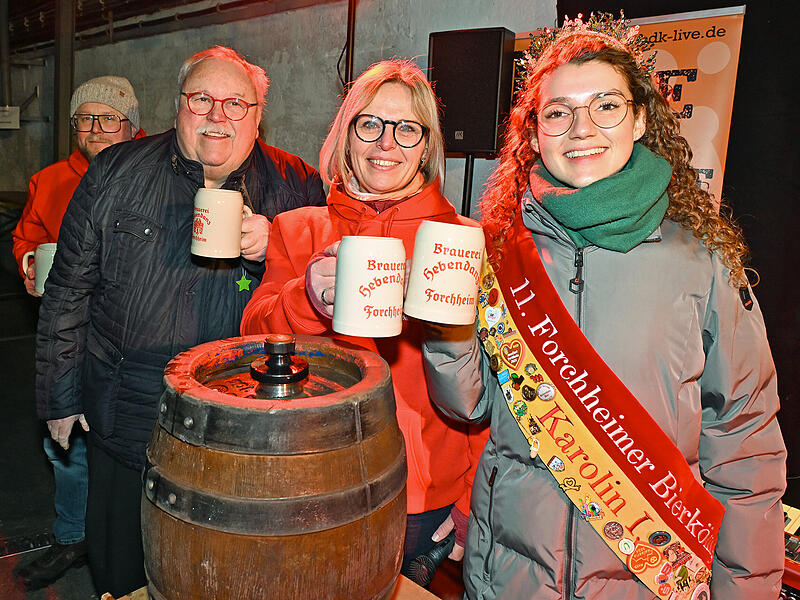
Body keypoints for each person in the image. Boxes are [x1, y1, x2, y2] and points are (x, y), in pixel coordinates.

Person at [422, 14, 786, 600]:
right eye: (559, 112)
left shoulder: (701, 259)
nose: (581, 128)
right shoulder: (496, 248)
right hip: (512, 577)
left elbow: (745, 443)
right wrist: (445, 323)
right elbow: (468, 404)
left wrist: (746, 591)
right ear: (534, 133)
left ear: (640, 117)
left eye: (605, 106)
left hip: (647, 579)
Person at [35, 46, 325, 597]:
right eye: (202, 100)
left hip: (244, 430)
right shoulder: (117, 172)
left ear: (259, 113)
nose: (218, 116)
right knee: (120, 570)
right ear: (178, 107)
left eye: (236, 103)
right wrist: (59, 396)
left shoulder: (297, 185)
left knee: (221, 574)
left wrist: (283, 244)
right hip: (127, 418)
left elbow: (322, 295)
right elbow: (67, 290)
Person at [240, 59, 488, 576]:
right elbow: (252, 336)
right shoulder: (298, 228)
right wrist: (304, 299)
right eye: (370, 124)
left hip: (422, 496)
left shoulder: (461, 241)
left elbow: (499, 386)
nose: (386, 144)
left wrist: (473, 499)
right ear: (347, 133)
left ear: (427, 145)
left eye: (407, 129)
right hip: (310, 479)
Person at [12, 75, 145, 590]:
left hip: (126, 337)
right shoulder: (49, 181)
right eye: (85, 118)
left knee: (123, 446)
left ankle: (125, 544)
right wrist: (27, 261)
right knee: (64, 445)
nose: (95, 127)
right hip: (69, 333)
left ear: (131, 126)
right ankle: (72, 538)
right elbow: (29, 237)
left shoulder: (150, 175)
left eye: (107, 117)